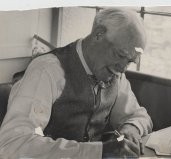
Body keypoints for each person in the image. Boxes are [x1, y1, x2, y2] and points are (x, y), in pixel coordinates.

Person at [0, 7, 152, 158]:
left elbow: (139, 116)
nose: (123, 68)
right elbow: (13, 143)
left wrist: (131, 128)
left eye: (130, 61)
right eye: (120, 54)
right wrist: (100, 151)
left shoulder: (115, 72)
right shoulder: (47, 70)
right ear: (99, 34)